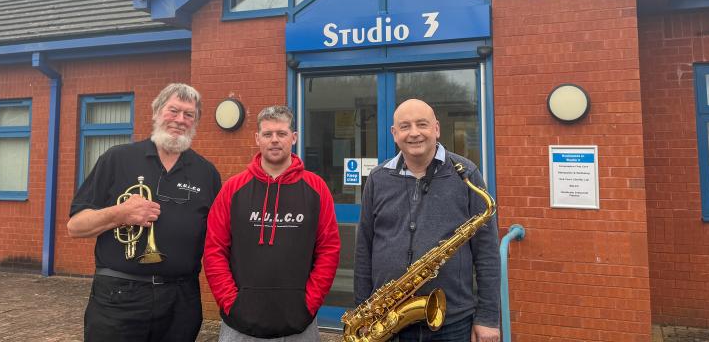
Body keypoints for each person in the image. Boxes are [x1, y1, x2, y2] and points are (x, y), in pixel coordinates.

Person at [67, 83, 222, 342]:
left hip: (181, 300)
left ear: (196, 122)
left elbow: (219, 238)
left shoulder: (206, 172)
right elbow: (75, 226)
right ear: (156, 112)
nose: (180, 120)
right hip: (119, 296)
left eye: (189, 115)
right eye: (173, 111)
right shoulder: (117, 158)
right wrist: (120, 213)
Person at [354, 99, 500, 342]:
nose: (414, 133)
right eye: (405, 126)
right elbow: (364, 248)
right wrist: (362, 312)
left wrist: (487, 317)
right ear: (394, 133)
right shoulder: (378, 178)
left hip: (452, 322)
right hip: (386, 321)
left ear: (436, 129)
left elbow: (487, 252)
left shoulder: (466, 173)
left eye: (422, 124)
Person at [203, 105, 340, 341]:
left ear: (293, 138)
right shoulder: (233, 189)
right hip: (239, 326)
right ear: (257, 138)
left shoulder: (316, 188)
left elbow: (329, 249)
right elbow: (214, 249)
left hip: (300, 325)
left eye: (282, 133)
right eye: (268, 134)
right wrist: (230, 302)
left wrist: (309, 303)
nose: (274, 140)